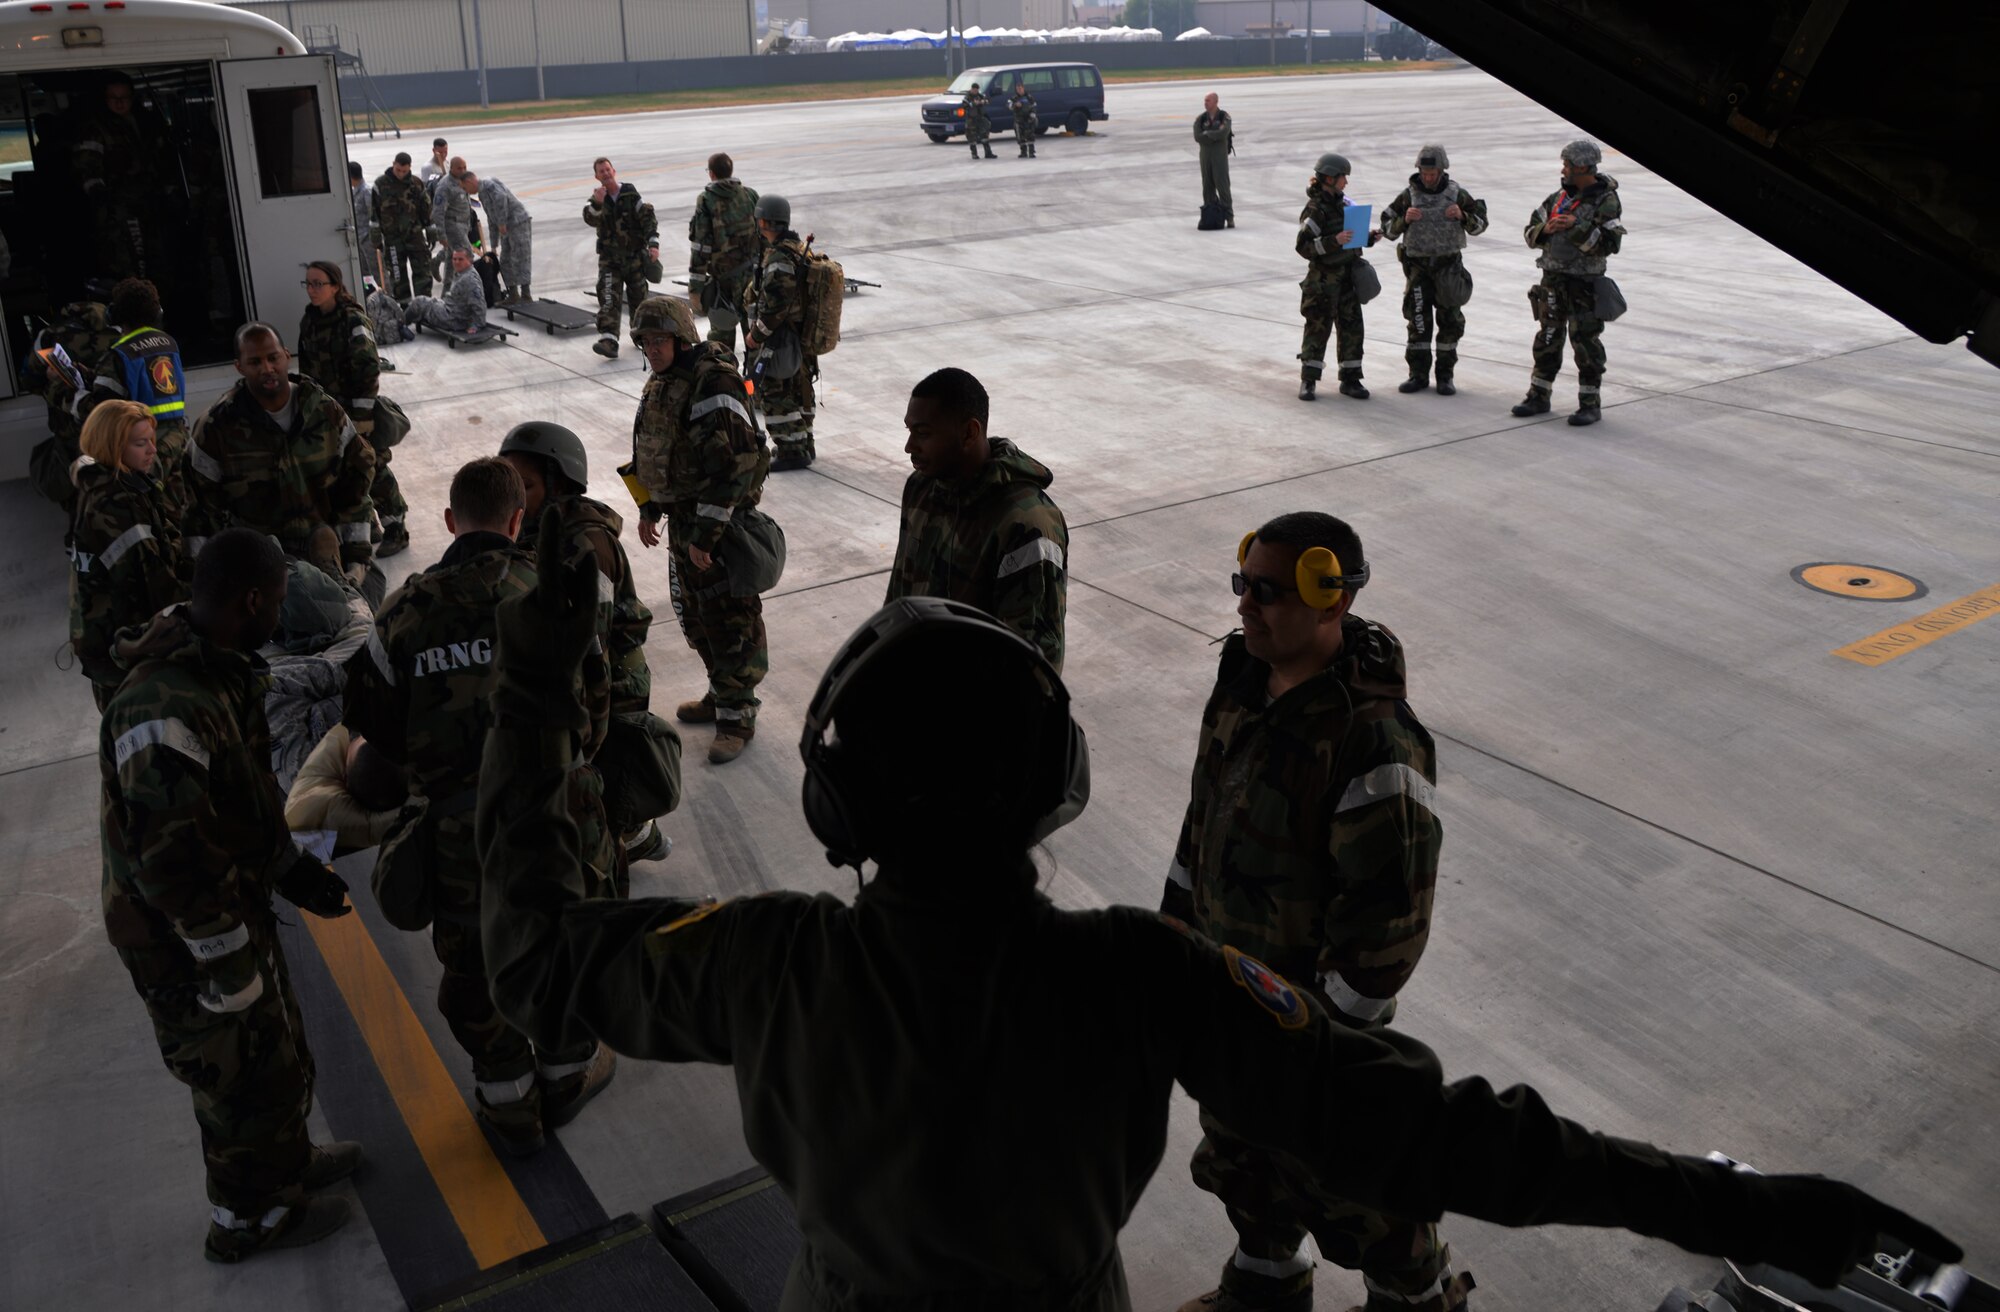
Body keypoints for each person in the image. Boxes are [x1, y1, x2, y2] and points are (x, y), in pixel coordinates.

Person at [470, 551, 1961, 1311]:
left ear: (840, 807)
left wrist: (536, 694)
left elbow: (537, 952)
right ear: (1054, 785)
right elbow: (1430, 1138)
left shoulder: (770, 960)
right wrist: (1758, 1213)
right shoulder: (1134, 971)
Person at [1163, 512, 1464, 1312]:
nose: (1244, 606)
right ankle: (1264, 1288)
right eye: (1241, 584)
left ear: (1330, 599)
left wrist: (1318, 1042)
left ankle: (1424, 1304)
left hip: (1318, 1027)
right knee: (1244, 1160)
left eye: (1267, 591)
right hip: (1235, 990)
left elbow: (1388, 931)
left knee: (1359, 1188)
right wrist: (1176, 933)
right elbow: (1203, 821)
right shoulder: (1242, 686)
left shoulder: (1373, 740)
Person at [99, 527, 362, 1263]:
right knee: (232, 1072)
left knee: (273, 1051)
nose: (282, 614)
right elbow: (170, 864)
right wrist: (226, 963)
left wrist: (292, 871)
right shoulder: (162, 708)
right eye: (278, 600)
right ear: (252, 600)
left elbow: (243, 802)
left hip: (231, 908)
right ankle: (247, 1221)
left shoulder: (221, 671)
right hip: (183, 939)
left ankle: (286, 1165)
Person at [344, 457, 617, 1154]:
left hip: (464, 833)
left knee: (475, 970)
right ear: (518, 519)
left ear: (448, 521)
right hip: (562, 815)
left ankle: (508, 1104)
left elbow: (376, 736)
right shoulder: (553, 592)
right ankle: (566, 1075)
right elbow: (596, 715)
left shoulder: (402, 614)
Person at [498, 422, 651, 888]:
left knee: (597, 813)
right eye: (510, 484)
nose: (516, 497)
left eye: (525, 485)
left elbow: (593, 645)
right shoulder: (537, 526)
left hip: (611, 688)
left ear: (559, 483)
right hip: (580, 677)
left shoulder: (586, 543)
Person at [628, 296, 770, 765]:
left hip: (718, 523)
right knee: (696, 617)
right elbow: (655, 446)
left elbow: (733, 468)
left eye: (659, 340)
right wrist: (649, 507)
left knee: (730, 619)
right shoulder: (666, 380)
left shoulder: (712, 382)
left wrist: (705, 539)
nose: (652, 349)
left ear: (682, 338)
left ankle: (738, 716)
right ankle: (720, 695)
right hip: (685, 520)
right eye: (645, 341)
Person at [884, 367, 1067, 671]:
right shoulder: (922, 489)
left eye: (923, 433)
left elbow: (1033, 663)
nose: (909, 447)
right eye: (909, 431)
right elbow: (899, 596)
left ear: (969, 432)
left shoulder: (1026, 523)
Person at [184, 323, 377, 600]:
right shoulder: (215, 428)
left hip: (326, 554)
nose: (266, 368)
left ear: (287, 356)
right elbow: (199, 513)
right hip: (260, 568)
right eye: (255, 362)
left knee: (369, 604)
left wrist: (357, 561)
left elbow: (355, 493)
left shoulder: (326, 414)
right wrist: (204, 586)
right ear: (239, 367)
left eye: (273, 358)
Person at [66, 400, 188, 710]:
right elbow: (157, 587)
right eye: (140, 443)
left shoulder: (105, 485)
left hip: (112, 645)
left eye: (151, 440)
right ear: (113, 446)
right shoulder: (117, 506)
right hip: (125, 653)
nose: (153, 450)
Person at [298, 259, 408, 557]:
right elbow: (306, 370)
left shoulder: (353, 320)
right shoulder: (309, 321)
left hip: (356, 413)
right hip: (327, 414)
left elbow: (368, 370)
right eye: (308, 283)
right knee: (342, 472)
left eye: (318, 283)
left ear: (335, 286)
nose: (311, 289)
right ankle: (367, 523)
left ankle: (396, 527)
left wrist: (361, 417)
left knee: (373, 467)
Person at [1513, 139, 1625, 427]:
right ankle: (1538, 395)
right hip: (1551, 280)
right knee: (1548, 337)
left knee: (1585, 342)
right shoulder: (1555, 199)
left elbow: (1610, 244)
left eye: (1568, 165)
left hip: (1584, 284)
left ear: (1584, 167)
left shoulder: (1606, 201)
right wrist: (1545, 229)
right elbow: (1529, 233)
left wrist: (1576, 228)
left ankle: (1589, 404)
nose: (1563, 169)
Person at [1381, 144, 1488, 396]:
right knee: (1418, 321)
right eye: (1425, 172)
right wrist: (1403, 220)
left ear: (1442, 171)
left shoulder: (1457, 194)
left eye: (1433, 172)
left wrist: (1463, 215)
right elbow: (1387, 227)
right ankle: (1417, 375)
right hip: (1418, 268)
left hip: (1448, 268)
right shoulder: (1408, 196)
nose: (1428, 177)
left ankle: (1445, 376)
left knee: (1450, 322)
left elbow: (1480, 224)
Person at [82, 276, 191, 512]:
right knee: (180, 509)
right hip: (178, 438)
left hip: (146, 447)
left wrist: (71, 390)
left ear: (115, 315)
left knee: (152, 512)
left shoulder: (119, 353)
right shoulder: (169, 343)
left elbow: (100, 408)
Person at [1297, 151, 1381, 402]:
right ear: (1330, 178)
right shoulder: (1315, 210)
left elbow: (1352, 238)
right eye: (1343, 177)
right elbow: (1303, 246)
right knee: (1317, 329)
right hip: (1323, 282)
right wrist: (1333, 241)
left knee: (1352, 329)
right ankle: (1309, 381)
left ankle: (1351, 379)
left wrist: (1368, 237)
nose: (1346, 182)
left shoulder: (1346, 205)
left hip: (1347, 281)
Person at [72, 72, 174, 279]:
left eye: (124, 97)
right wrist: (105, 199)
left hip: (152, 206)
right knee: (131, 266)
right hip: (120, 212)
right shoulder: (96, 129)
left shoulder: (147, 124)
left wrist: (169, 189)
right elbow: (86, 168)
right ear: (105, 99)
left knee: (159, 263)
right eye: (113, 98)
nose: (119, 103)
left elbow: (163, 161)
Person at [744, 194, 817, 470]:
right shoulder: (796, 248)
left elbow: (776, 308)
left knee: (774, 392)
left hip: (780, 338)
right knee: (798, 391)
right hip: (799, 336)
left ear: (762, 221)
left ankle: (791, 450)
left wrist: (756, 336)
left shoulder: (778, 258)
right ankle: (803, 443)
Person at [584, 156, 661, 358]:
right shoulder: (597, 200)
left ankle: (641, 336)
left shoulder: (630, 195)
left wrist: (653, 244)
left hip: (634, 258)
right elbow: (590, 218)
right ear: (596, 176)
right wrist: (598, 203)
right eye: (601, 171)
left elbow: (647, 219)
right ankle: (609, 340)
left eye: (608, 169)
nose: (606, 173)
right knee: (609, 298)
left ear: (614, 171)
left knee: (640, 300)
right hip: (610, 261)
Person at [686, 152, 761, 352]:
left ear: (711, 174)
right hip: (753, 280)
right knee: (755, 337)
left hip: (724, 285)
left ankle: (726, 380)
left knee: (721, 343)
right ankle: (756, 381)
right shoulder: (750, 195)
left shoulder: (706, 200)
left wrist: (696, 286)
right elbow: (764, 235)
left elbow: (701, 246)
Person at [370, 152, 435, 300]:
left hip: (415, 235)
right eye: (398, 170)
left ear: (409, 168)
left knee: (423, 271)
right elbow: (374, 214)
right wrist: (376, 238)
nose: (401, 174)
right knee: (397, 274)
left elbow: (426, 209)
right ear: (393, 164)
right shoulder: (380, 184)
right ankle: (404, 307)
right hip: (392, 238)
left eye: (404, 171)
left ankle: (423, 305)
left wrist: (431, 231)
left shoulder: (416, 183)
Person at [462, 172, 534, 304]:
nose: (467, 192)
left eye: (465, 188)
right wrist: (494, 245)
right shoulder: (482, 194)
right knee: (505, 260)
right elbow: (491, 218)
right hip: (506, 228)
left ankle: (526, 294)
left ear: (469, 182)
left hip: (517, 222)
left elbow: (501, 198)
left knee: (520, 258)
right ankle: (513, 294)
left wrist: (501, 222)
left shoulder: (489, 184)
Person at [404, 247, 488, 336]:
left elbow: (479, 304)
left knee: (418, 302)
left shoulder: (470, 280)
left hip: (453, 320)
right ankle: (401, 323)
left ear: (470, 260)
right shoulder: (463, 273)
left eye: (460, 259)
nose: (456, 262)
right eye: (454, 259)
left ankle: (399, 326)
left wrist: (477, 325)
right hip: (452, 312)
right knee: (430, 301)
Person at [1195, 92, 1234, 226]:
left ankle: (1229, 217)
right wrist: (1215, 136)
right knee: (1207, 186)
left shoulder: (1224, 117)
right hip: (1205, 157)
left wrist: (1208, 134)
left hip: (1219, 158)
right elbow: (1197, 136)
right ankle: (1210, 215)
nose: (1205, 103)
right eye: (1205, 100)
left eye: (1208, 101)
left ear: (1216, 102)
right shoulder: (1201, 118)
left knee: (1223, 186)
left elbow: (1224, 132)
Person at [348, 162, 375, 287]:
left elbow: (374, 217)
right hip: (360, 239)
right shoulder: (354, 192)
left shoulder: (366, 192)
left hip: (368, 240)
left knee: (374, 270)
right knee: (364, 271)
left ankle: (385, 297)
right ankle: (369, 293)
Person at [962, 79, 995, 160]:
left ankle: (988, 153)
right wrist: (974, 103)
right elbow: (965, 105)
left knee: (985, 136)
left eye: (977, 90)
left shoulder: (980, 96)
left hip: (980, 119)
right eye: (974, 89)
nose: (975, 91)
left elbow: (988, 100)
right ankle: (974, 154)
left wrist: (983, 101)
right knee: (971, 137)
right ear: (971, 89)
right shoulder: (967, 97)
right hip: (971, 120)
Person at [1010, 82, 1040, 158]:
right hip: (1019, 119)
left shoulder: (1029, 97)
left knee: (1030, 135)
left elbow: (1034, 105)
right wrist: (1015, 105)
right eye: (1017, 89)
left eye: (1020, 88)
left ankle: (1031, 152)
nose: (1019, 90)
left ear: (1023, 88)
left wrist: (1033, 114)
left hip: (1028, 118)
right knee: (1020, 136)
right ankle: (1023, 152)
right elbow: (1009, 105)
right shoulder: (1014, 98)